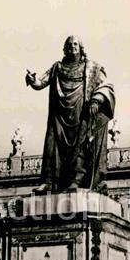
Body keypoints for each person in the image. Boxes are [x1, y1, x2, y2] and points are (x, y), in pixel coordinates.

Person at [25, 35, 115, 193]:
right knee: (53, 145)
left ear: (81, 47)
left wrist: (96, 100)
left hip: (82, 111)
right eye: (69, 44)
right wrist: (33, 81)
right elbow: (41, 83)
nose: (72, 46)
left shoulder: (92, 67)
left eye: (75, 44)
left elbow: (106, 86)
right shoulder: (57, 68)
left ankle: (76, 180)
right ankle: (49, 181)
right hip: (60, 114)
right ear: (65, 48)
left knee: (80, 145)